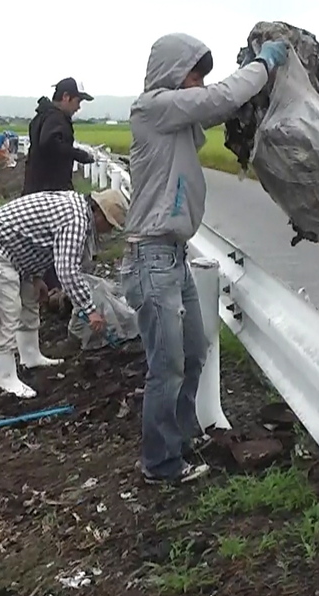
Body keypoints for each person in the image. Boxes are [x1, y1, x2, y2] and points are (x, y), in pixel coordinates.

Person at [122, 33, 289, 485]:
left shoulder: (175, 121)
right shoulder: (154, 107)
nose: (199, 83)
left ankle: (178, 441)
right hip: (151, 257)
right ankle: (160, 465)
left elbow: (219, 105)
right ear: (173, 74)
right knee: (167, 366)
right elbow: (222, 99)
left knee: (194, 353)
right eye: (194, 73)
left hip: (172, 256)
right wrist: (263, 65)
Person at [0, 188, 129, 398]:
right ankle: (6, 379)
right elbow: (67, 271)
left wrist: (36, 276)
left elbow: (37, 242)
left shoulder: (76, 210)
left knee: (29, 299)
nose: (108, 231)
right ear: (99, 214)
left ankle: (31, 356)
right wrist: (90, 310)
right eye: (109, 225)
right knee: (8, 309)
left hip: (13, 251)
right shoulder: (76, 220)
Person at [23, 78, 99, 312]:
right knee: (57, 242)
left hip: (36, 189)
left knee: (42, 243)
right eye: (77, 101)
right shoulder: (56, 118)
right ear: (66, 97)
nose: (78, 107)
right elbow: (50, 143)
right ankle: (57, 295)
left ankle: (44, 294)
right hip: (50, 192)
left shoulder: (42, 116)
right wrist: (80, 155)